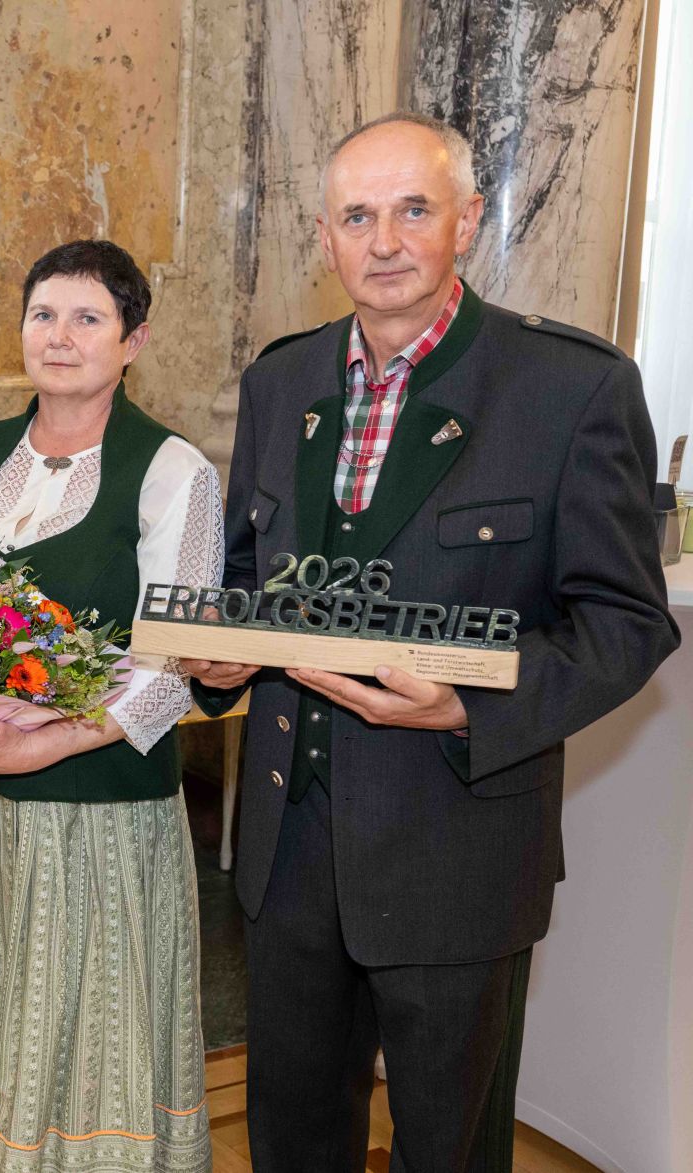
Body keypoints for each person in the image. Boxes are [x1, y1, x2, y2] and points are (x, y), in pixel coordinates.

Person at [185, 112, 680, 1171]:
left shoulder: (569, 389)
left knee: (448, 1153)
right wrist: (220, 656)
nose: (384, 241)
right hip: (288, 850)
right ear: (324, 238)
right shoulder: (280, 382)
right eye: (357, 216)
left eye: (413, 209)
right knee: (291, 1144)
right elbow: (247, 576)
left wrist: (473, 703)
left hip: (456, 849)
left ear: (468, 219)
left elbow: (626, 620)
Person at [0, 240, 220, 1173]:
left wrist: (41, 747)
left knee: (90, 1039)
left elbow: (172, 671)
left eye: (88, 318)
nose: (61, 335)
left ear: (133, 342)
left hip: (100, 820)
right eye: (44, 314)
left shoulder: (173, 472)